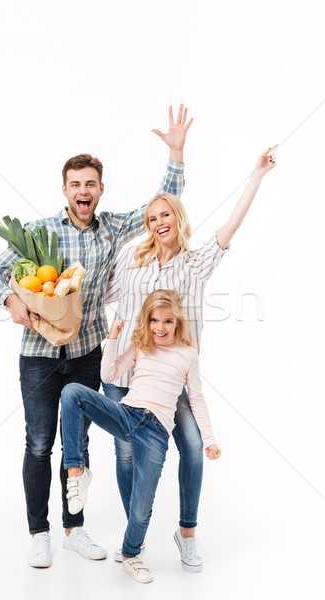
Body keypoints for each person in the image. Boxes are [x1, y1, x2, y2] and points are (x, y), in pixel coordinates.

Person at [0, 105, 193, 568]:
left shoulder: (113, 228)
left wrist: (176, 154)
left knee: (76, 442)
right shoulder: (38, 231)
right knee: (39, 443)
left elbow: (161, 209)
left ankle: (73, 528)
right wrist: (11, 302)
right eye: (75, 184)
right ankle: (39, 533)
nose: (83, 191)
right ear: (65, 190)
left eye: (91, 184)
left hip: (87, 354)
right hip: (38, 356)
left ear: (100, 191)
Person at [103, 145, 277, 570]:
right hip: (124, 370)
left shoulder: (196, 264)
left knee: (194, 448)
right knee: (126, 453)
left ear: (178, 220)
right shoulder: (132, 258)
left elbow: (231, 225)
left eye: (165, 215)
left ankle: (187, 534)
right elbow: (102, 297)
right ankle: (134, 540)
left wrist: (256, 174)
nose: (158, 223)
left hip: (170, 378)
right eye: (151, 218)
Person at [60, 290, 221, 584]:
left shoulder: (187, 355)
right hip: (127, 414)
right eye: (154, 320)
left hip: (156, 432)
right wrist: (111, 338)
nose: (160, 327)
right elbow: (109, 376)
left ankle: (132, 555)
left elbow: (196, 399)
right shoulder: (140, 346)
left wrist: (208, 440)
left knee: (141, 508)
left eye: (168, 321)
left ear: (178, 323)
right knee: (71, 392)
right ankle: (76, 471)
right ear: (146, 321)